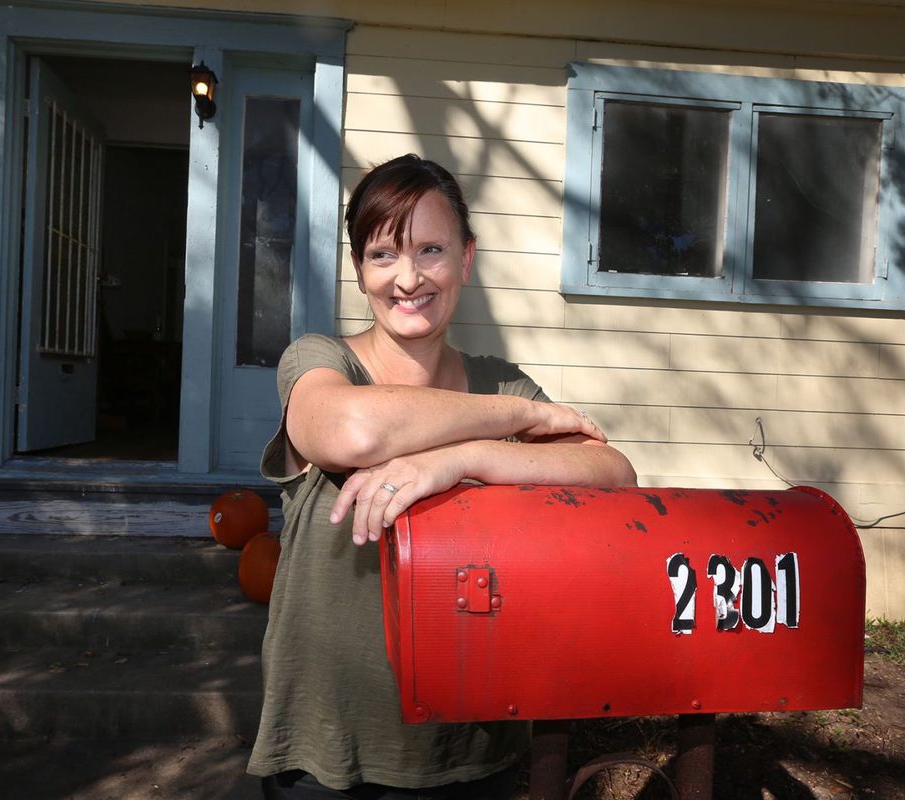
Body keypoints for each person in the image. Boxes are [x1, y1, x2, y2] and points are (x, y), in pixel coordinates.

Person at [248, 154, 637, 799]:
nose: (408, 278)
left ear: (466, 260)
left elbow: (612, 472)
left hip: (472, 745)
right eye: (382, 254)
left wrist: (462, 459)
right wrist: (513, 417)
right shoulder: (323, 363)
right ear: (358, 269)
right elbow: (351, 433)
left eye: (431, 249)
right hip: (329, 754)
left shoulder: (493, 377)